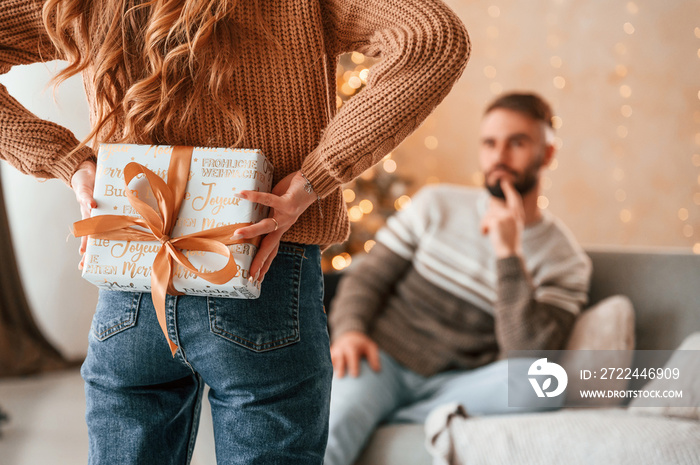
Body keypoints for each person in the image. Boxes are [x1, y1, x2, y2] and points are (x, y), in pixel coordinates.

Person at [0, 1, 470, 463]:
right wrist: (314, 177)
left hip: (133, 274)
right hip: (260, 264)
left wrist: (70, 163)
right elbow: (433, 36)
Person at [325, 92, 592, 465]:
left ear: (546, 154)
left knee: (541, 386)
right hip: (382, 362)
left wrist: (509, 254)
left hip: (460, 383)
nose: (499, 156)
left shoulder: (566, 260)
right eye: (490, 143)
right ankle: (392, 409)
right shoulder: (436, 204)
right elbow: (367, 278)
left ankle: (392, 412)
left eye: (517, 142)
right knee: (332, 429)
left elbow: (528, 356)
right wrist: (350, 330)